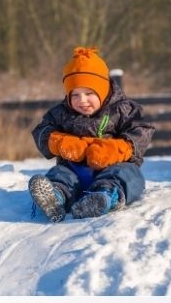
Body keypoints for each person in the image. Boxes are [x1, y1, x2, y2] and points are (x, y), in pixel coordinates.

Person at [28, 46, 155, 222]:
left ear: (102, 89)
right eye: (75, 95)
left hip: (113, 168)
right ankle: (56, 197)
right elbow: (41, 131)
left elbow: (142, 130)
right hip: (74, 169)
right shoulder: (62, 112)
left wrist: (118, 148)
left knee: (130, 175)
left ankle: (105, 197)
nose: (82, 101)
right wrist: (58, 142)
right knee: (60, 174)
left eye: (89, 93)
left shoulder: (123, 109)